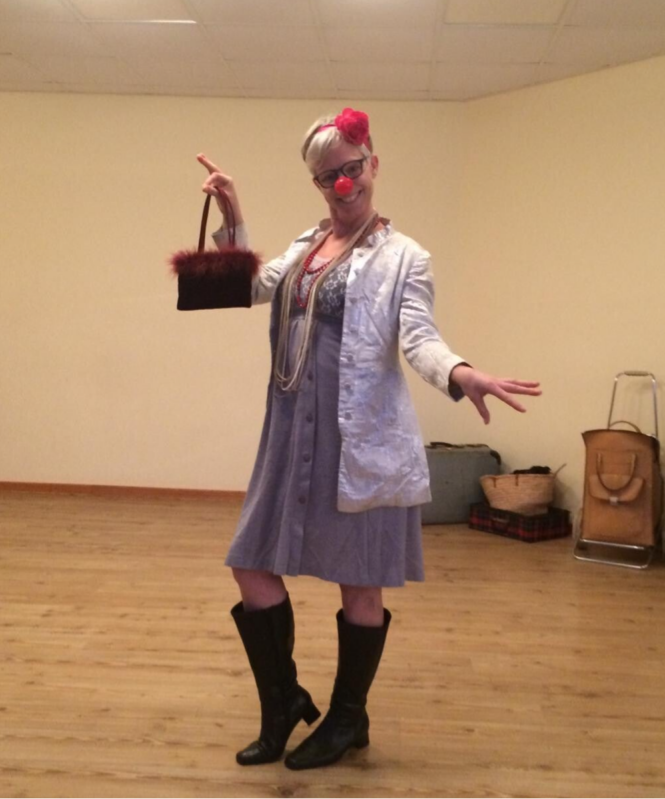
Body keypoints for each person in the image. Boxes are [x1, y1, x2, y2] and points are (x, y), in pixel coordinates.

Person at [194, 108, 541, 771]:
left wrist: (460, 373)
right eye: (328, 176)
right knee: (251, 563)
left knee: (358, 582)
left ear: (372, 164)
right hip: (287, 431)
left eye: (350, 169)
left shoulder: (405, 257)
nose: (342, 184)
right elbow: (249, 285)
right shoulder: (305, 246)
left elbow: (418, 336)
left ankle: (348, 717)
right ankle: (283, 702)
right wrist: (233, 212)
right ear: (317, 183)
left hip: (357, 438)